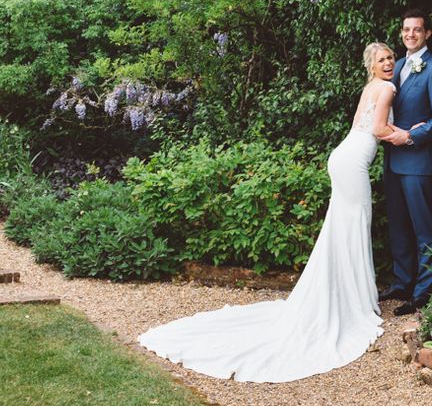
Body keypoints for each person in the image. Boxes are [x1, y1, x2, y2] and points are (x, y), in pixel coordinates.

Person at [138, 43, 398, 383]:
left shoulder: (369, 87)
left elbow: (358, 126)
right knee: (353, 225)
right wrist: (405, 135)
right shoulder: (388, 87)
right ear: (372, 65)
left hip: (343, 156)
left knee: (343, 228)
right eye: (382, 59)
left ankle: (353, 296)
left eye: (391, 58)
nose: (389, 63)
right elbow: (378, 129)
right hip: (353, 162)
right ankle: (355, 302)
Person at [379, 9, 432, 316]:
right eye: (407, 29)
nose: (411, 34)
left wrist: (410, 136)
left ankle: (423, 291)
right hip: (393, 160)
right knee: (398, 226)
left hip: (418, 161)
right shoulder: (395, 66)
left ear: (427, 34)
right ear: (402, 33)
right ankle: (402, 281)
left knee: (423, 229)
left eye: (417, 30)